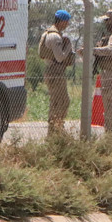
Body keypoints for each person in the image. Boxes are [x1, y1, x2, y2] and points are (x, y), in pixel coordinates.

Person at [38, 9, 76, 138]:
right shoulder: (54, 36)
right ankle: (56, 129)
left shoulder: (50, 33)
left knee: (56, 101)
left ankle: (55, 130)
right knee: (63, 101)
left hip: (53, 71)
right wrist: (68, 46)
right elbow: (60, 57)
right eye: (67, 22)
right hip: (55, 71)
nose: (68, 24)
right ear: (62, 21)